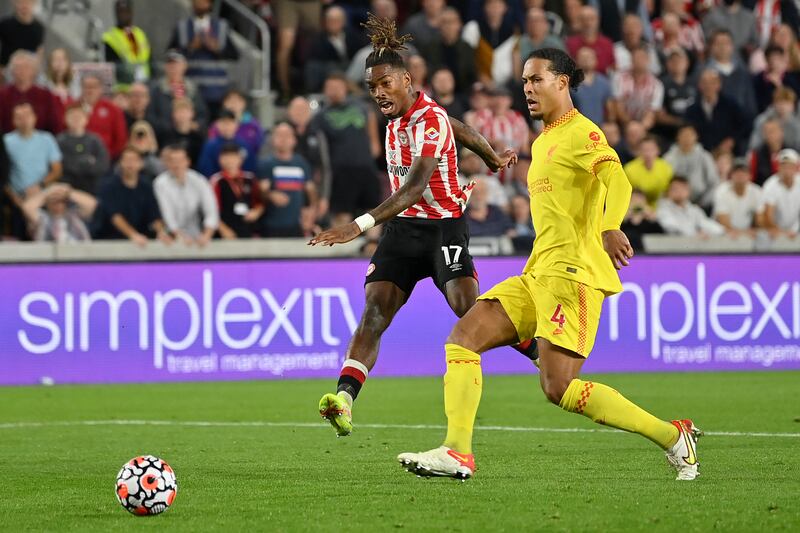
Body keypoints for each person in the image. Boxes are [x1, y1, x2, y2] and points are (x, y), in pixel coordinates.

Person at [396, 48, 701, 482]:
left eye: (537, 79)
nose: (527, 88)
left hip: (573, 276)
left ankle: (672, 436)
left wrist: (611, 225)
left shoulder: (582, 133)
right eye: (523, 81)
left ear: (563, 82)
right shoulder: (542, 141)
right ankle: (457, 452)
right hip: (537, 272)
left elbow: (618, 179)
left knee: (558, 387)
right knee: (463, 338)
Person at [309, 15, 529, 438]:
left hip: (443, 229)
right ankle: (344, 399)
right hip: (402, 233)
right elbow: (460, 128)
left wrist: (358, 226)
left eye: (385, 84)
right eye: (372, 87)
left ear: (406, 79)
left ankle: (536, 348)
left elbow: (414, 187)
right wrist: (490, 157)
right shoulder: (405, 116)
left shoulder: (428, 120)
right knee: (374, 312)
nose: (378, 93)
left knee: (468, 309)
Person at [310, 72, 381, 226]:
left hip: (366, 167)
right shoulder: (321, 117)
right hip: (340, 172)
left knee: (373, 211)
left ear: (345, 88)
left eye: (337, 87)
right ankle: (341, 248)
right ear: (325, 90)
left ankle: (372, 246)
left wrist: (369, 156)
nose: (334, 91)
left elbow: (375, 141)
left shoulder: (363, 109)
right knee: (341, 213)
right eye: (330, 87)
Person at [168, 0, 239, 115]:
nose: (200, 3)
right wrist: (190, 47)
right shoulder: (182, 27)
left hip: (217, 91)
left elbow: (234, 55)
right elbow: (171, 54)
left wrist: (217, 49)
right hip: (191, 90)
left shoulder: (221, 26)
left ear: (210, 4)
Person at [93, 146, 170, 245]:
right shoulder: (108, 186)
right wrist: (133, 235)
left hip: (141, 239)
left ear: (141, 164)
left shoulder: (146, 186)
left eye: (134, 160)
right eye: (126, 160)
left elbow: (154, 214)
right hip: (110, 239)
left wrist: (161, 232)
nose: (130, 164)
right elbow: (115, 216)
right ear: (120, 163)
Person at [258, 122, 316, 237]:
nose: (283, 139)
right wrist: (271, 195)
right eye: (279, 135)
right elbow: (261, 191)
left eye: (287, 135)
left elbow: (311, 191)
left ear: (294, 140)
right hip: (272, 225)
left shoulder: (301, 163)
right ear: (273, 139)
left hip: (296, 225)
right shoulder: (266, 164)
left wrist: (311, 212)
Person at [153, 144, 219, 245]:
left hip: (196, 237)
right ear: (167, 163)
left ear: (188, 161)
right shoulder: (160, 183)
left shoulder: (199, 180)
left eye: (180, 160)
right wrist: (180, 236)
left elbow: (211, 210)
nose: (176, 165)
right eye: (172, 161)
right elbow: (167, 213)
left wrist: (207, 235)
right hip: (169, 237)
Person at [0, 50, 64, 134]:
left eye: (25, 67)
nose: (21, 71)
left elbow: (55, 125)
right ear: (12, 71)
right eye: (17, 68)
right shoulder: (2, 94)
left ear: (34, 70)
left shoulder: (46, 95)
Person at [304, 5, 365, 93]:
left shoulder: (353, 35)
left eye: (336, 20)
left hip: (353, 71)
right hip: (330, 74)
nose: (333, 23)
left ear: (343, 21)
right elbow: (321, 63)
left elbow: (358, 55)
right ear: (325, 22)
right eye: (330, 20)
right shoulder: (318, 40)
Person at [209, 142, 264, 239]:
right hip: (226, 232)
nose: (230, 161)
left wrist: (256, 212)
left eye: (233, 157)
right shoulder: (217, 181)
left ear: (240, 159)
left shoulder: (250, 178)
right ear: (220, 159)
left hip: (248, 229)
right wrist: (223, 229)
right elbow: (211, 210)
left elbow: (259, 203)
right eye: (226, 157)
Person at [149, 50, 209, 134]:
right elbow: (151, 116)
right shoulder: (157, 90)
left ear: (184, 66)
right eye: (170, 64)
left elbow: (202, 114)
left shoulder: (193, 89)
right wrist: (172, 127)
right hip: (165, 136)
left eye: (176, 64)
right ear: (165, 67)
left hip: (191, 135)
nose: (173, 68)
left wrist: (194, 125)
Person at [274, 0, 322, 100]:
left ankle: (314, 87)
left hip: (311, 2)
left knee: (318, 40)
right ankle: (284, 88)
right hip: (287, 2)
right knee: (285, 44)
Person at [57, 103, 110, 194]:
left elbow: (103, 164)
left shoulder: (95, 140)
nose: (76, 119)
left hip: (92, 187)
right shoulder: (59, 141)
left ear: (86, 119)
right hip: (67, 188)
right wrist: (87, 161)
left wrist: (76, 163)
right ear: (65, 119)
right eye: (72, 116)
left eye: (79, 116)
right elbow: (61, 165)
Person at [663, 125, 719, 209]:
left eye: (690, 135)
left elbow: (714, 182)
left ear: (696, 137)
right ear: (678, 137)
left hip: (701, 203)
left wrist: (703, 203)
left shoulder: (705, 156)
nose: (687, 139)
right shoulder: (669, 158)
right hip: (673, 203)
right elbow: (664, 182)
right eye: (684, 135)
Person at [611, 45, 664, 131]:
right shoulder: (619, 78)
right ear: (631, 59)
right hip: (622, 124)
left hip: (644, 127)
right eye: (636, 57)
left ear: (648, 60)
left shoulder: (657, 84)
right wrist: (629, 124)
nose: (639, 60)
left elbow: (652, 113)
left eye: (642, 57)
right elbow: (617, 106)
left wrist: (641, 128)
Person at [102, 0, 152, 90]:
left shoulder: (140, 33)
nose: (123, 15)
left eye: (126, 11)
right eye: (120, 12)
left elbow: (149, 58)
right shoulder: (109, 37)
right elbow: (113, 65)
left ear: (131, 13)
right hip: (123, 87)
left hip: (144, 84)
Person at [22, 182, 95, 242]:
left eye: (61, 201)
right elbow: (27, 207)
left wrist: (69, 193)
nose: (58, 205)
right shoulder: (43, 218)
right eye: (54, 201)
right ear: (46, 203)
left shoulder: (74, 215)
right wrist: (48, 192)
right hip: (48, 258)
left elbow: (92, 205)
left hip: (78, 257)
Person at [656, 176, 726, 237]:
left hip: (691, 246)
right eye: (675, 189)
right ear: (669, 191)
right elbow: (671, 228)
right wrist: (695, 235)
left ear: (688, 191)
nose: (679, 191)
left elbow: (706, 223)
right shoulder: (663, 209)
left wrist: (724, 231)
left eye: (683, 188)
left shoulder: (694, 210)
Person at [80, 74, 128, 160]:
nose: (90, 90)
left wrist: (108, 155)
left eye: (94, 87)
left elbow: (120, 138)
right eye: (86, 87)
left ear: (100, 89)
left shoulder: (113, 110)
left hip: (106, 159)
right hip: (78, 158)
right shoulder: (72, 107)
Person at [197, 109, 257, 177]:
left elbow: (250, 169)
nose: (226, 126)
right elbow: (205, 169)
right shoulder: (210, 146)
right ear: (217, 125)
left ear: (236, 124)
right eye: (223, 123)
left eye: (229, 123)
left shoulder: (245, 146)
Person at [207, 89, 264, 158]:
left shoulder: (254, 125)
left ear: (244, 103)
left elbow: (259, 147)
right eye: (230, 101)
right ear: (223, 104)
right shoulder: (216, 126)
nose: (233, 104)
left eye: (237, 100)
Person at [713, 161, 762, 237]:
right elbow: (723, 221)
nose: (740, 175)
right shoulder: (721, 191)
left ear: (750, 176)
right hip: (724, 235)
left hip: (748, 234)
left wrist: (753, 230)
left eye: (743, 172)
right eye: (736, 172)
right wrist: (744, 233)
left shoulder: (756, 191)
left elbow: (760, 219)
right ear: (731, 175)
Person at [759, 148, 800, 239]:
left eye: (790, 166)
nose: (787, 170)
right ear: (778, 167)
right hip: (775, 231)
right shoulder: (770, 185)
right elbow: (768, 213)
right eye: (783, 166)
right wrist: (779, 231)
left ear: (796, 168)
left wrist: (795, 230)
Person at [623, 135, 673, 207]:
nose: (648, 153)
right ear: (639, 151)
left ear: (658, 150)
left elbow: (669, 192)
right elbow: (626, 193)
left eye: (651, 149)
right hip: (636, 205)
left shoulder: (666, 167)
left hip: (661, 205)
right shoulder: (629, 169)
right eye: (644, 150)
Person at [565, 5, 614, 75]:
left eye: (592, 19)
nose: (588, 23)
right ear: (579, 22)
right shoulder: (570, 44)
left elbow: (613, 68)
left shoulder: (607, 43)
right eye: (584, 19)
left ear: (598, 20)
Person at [0, 0, 44, 75]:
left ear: (34, 4)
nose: (24, 6)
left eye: (28, 3)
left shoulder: (39, 28)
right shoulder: (4, 24)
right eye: (21, 2)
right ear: (15, 3)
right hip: (5, 71)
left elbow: (39, 52)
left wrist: (35, 71)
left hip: (27, 74)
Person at [158, 98, 205, 168]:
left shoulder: (198, 137)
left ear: (192, 113)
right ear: (173, 114)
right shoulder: (166, 134)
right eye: (179, 111)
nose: (182, 114)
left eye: (185, 111)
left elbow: (200, 160)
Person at [572, 46, 612, 126]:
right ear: (576, 60)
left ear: (596, 60)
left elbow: (610, 109)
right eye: (583, 57)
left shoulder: (604, 82)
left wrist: (609, 123)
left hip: (599, 127)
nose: (586, 60)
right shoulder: (570, 83)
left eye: (589, 57)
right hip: (576, 126)